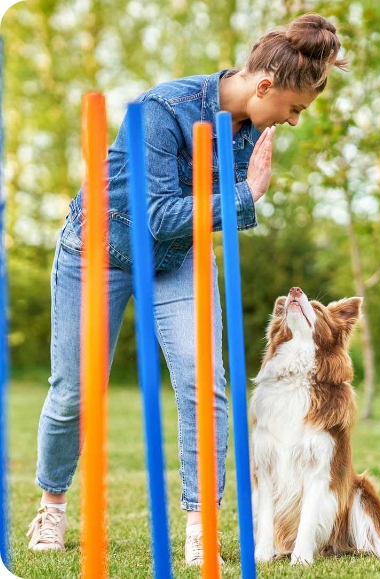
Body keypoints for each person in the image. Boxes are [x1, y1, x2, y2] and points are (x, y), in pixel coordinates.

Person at [26, 13, 346, 565]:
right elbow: (157, 215)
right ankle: (51, 506)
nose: (292, 122)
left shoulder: (251, 128)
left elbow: (190, 223)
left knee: (206, 386)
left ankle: (201, 522)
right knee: (74, 394)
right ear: (265, 86)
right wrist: (246, 197)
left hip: (178, 259)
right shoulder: (162, 110)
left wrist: (239, 199)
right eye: (294, 109)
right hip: (98, 253)